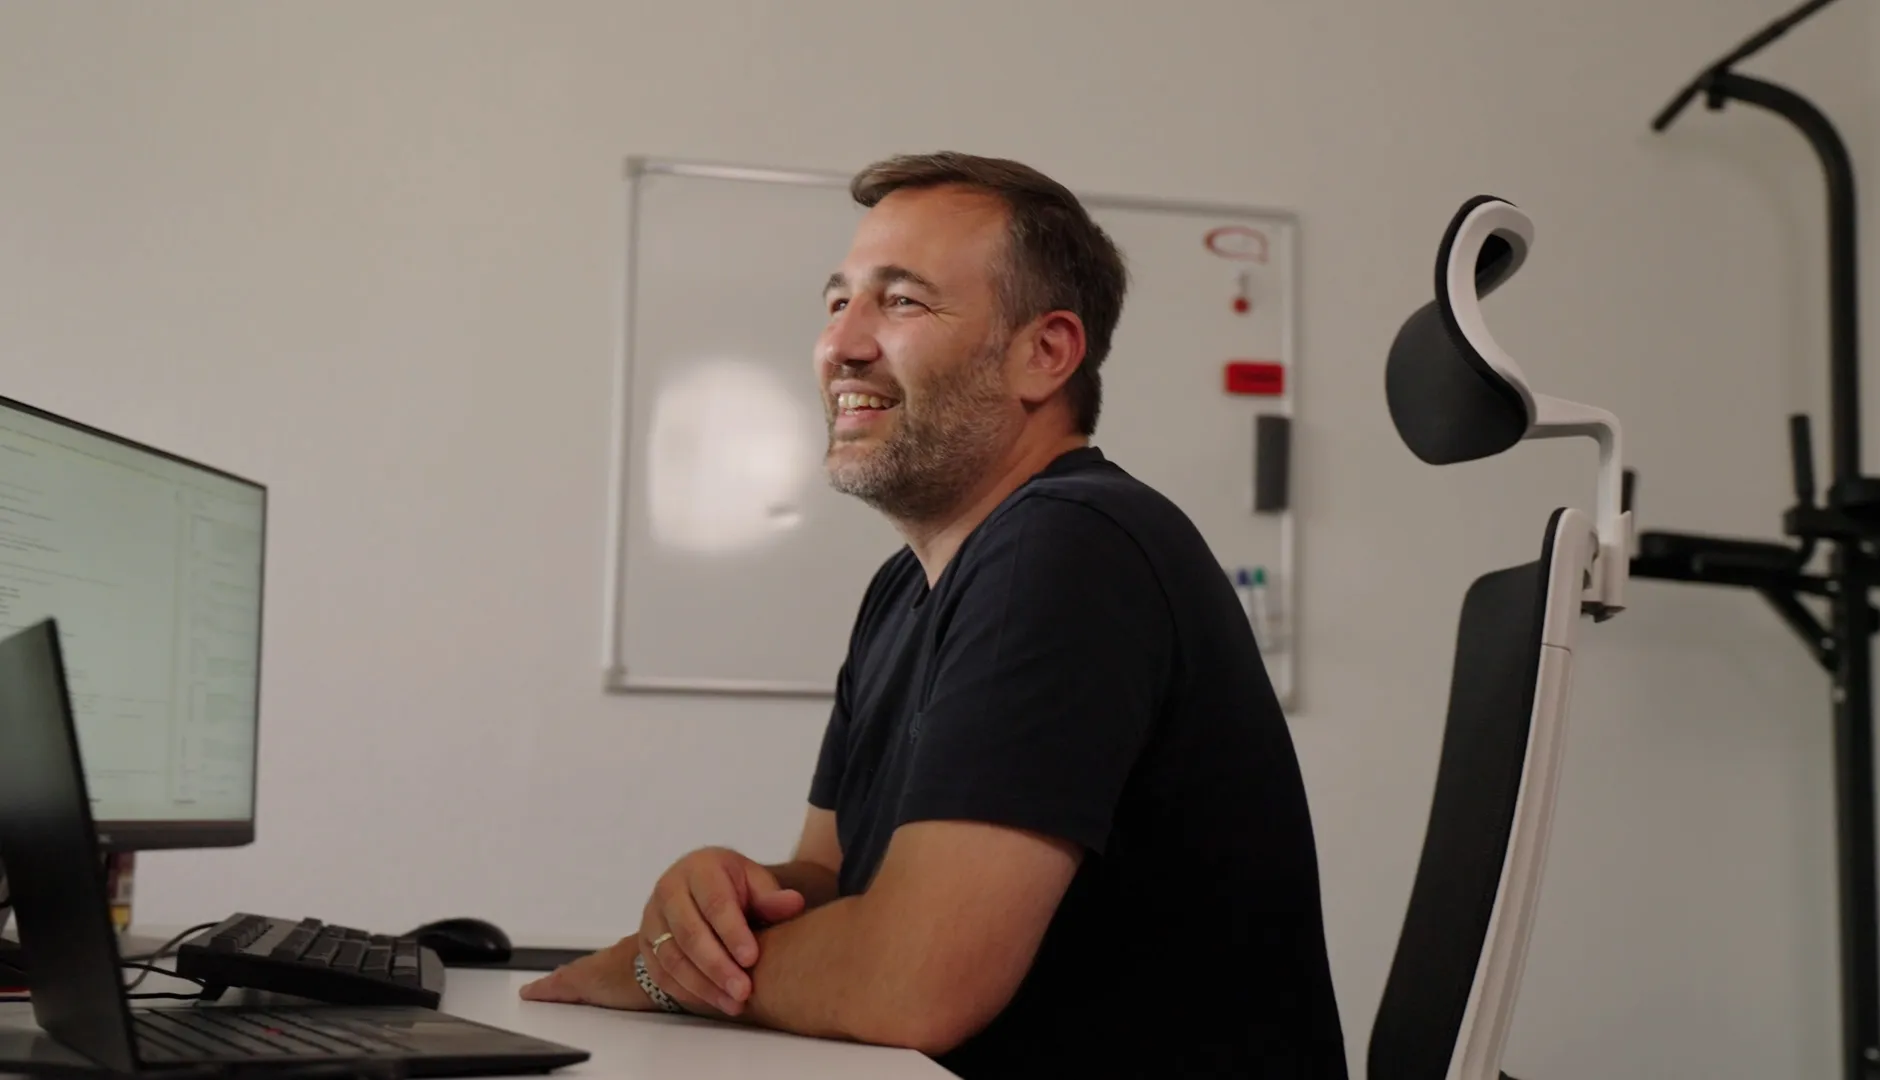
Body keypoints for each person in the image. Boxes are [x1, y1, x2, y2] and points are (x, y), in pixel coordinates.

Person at [520, 151, 1348, 1078]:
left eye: (903, 302)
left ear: (1046, 353)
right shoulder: (906, 588)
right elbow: (832, 879)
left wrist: (661, 972)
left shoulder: (1070, 547)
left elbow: (913, 983)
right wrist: (720, 906)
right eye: (838, 302)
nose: (843, 344)